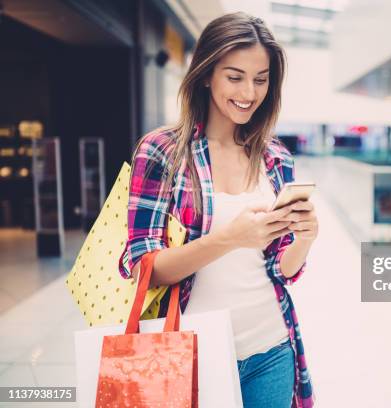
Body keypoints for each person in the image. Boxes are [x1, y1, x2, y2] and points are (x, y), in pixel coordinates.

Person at [118, 12, 317, 408]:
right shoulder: (162, 152)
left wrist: (305, 240)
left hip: (272, 348)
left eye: (261, 79)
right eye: (235, 76)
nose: (249, 91)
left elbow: (280, 269)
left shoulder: (275, 156)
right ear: (207, 74)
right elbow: (143, 267)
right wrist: (229, 239)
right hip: (189, 352)